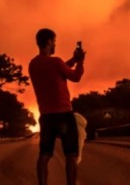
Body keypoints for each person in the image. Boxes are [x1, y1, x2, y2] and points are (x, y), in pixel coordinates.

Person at [29, 28, 86, 185]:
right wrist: (80, 61)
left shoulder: (33, 64)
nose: (55, 44)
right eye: (54, 41)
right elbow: (75, 76)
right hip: (63, 114)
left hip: (46, 116)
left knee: (44, 154)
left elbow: (57, 69)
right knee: (71, 154)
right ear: (48, 41)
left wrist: (72, 60)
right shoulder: (56, 62)